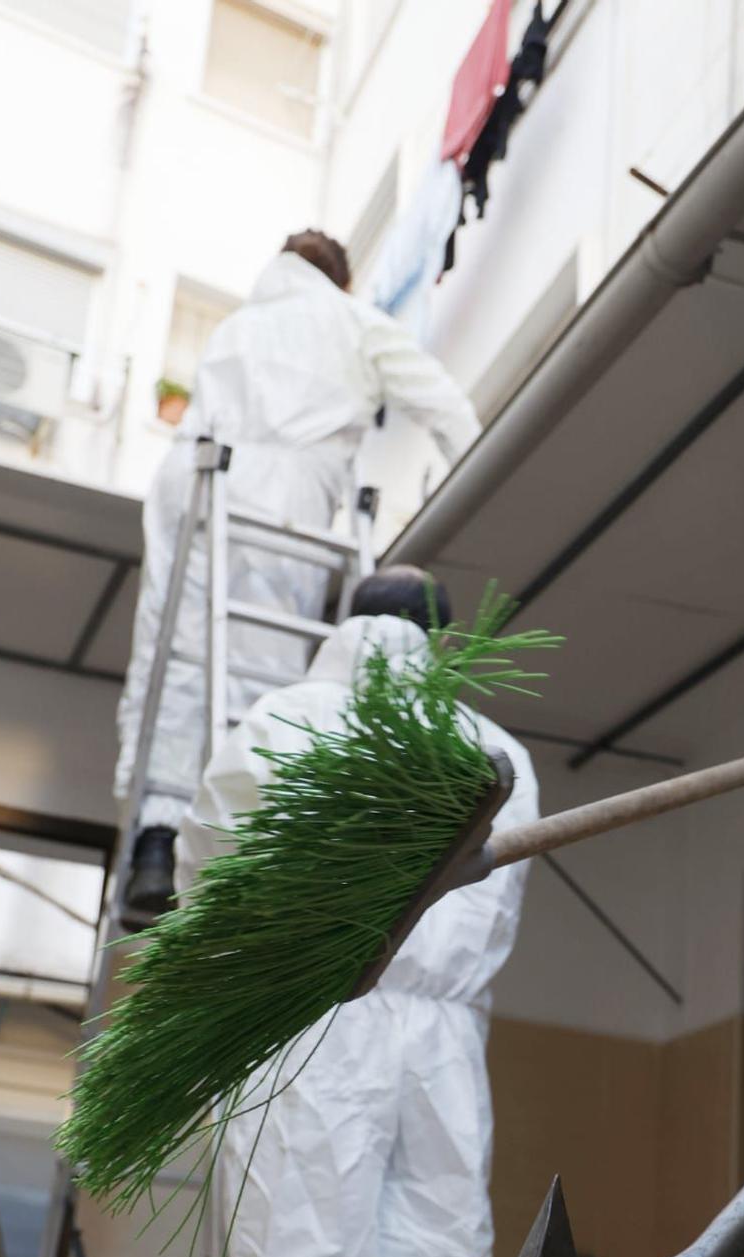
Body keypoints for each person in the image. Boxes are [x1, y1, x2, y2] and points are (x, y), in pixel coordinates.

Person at [176, 565, 539, 1257]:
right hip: (443, 1047)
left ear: (346, 626)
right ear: (441, 634)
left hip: (306, 1024)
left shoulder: (277, 720)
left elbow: (204, 880)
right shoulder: (498, 750)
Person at [116, 230, 481, 917]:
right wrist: (474, 491)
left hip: (191, 486)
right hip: (282, 496)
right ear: (340, 281)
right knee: (267, 671)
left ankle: (156, 845)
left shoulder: (237, 325)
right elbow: (446, 406)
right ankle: (245, 854)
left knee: (179, 662)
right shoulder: (354, 321)